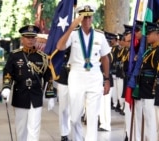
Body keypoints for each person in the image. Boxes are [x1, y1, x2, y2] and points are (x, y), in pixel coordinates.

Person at [56, 4, 111, 141]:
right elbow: (60, 46)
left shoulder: (99, 35)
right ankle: (78, 138)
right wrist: (70, 27)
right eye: (84, 17)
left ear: (92, 18)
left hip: (94, 76)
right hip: (76, 76)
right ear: (80, 19)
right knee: (74, 118)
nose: (87, 20)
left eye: (89, 17)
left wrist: (107, 79)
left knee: (92, 117)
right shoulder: (73, 34)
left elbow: (105, 58)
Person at [0, 25, 55, 141]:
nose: (30, 40)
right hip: (20, 95)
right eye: (27, 37)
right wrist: (6, 88)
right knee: (21, 129)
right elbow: (8, 73)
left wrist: (50, 95)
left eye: (32, 37)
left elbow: (48, 76)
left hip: (36, 96)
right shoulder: (15, 55)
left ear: (35, 39)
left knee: (34, 129)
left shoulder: (43, 57)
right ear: (22, 39)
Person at [137, 22, 159, 141]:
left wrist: (154, 90)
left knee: (152, 122)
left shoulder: (158, 51)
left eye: (150, 33)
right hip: (145, 90)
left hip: (150, 92)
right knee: (148, 121)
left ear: (158, 35)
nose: (147, 36)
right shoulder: (150, 51)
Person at [54, 47, 71, 141]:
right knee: (63, 108)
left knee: (77, 109)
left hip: (77, 81)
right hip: (63, 80)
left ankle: (76, 133)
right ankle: (64, 133)